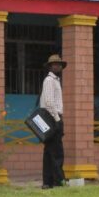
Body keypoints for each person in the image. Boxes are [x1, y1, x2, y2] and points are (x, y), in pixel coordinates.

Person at [40, 54, 66, 189]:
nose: (57, 66)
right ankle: (58, 181)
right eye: (54, 64)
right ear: (50, 66)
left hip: (53, 117)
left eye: (59, 64)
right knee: (57, 152)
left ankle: (47, 182)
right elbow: (49, 103)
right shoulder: (50, 80)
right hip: (52, 117)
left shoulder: (55, 80)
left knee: (49, 151)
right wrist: (57, 120)